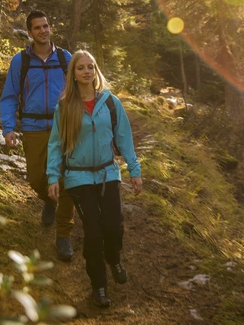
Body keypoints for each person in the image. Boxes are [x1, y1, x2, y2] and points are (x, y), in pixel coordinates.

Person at [46, 50, 143, 308]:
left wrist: (134, 170)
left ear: (95, 71)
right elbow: (56, 144)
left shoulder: (110, 102)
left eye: (90, 67)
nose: (86, 71)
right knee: (93, 231)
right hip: (78, 178)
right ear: (73, 74)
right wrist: (53, 176)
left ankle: (114, 257)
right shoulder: (65, 105)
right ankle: (99, 285)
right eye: (81, 68)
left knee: (113, 226)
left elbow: (124, 138)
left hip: (107, 173)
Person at [0, 10, 76, 261]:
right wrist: (9, 128)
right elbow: (10, 96)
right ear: (30, 32)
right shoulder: (20, 61)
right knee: (36, 178)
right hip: (33, 129)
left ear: (50, 27)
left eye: (46, 26)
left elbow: (81, 93)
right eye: (37, 28)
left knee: (67, 182)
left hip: (63, 128)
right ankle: (49, 200)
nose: (43, 31)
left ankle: (63, 234)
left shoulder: (66, 58)